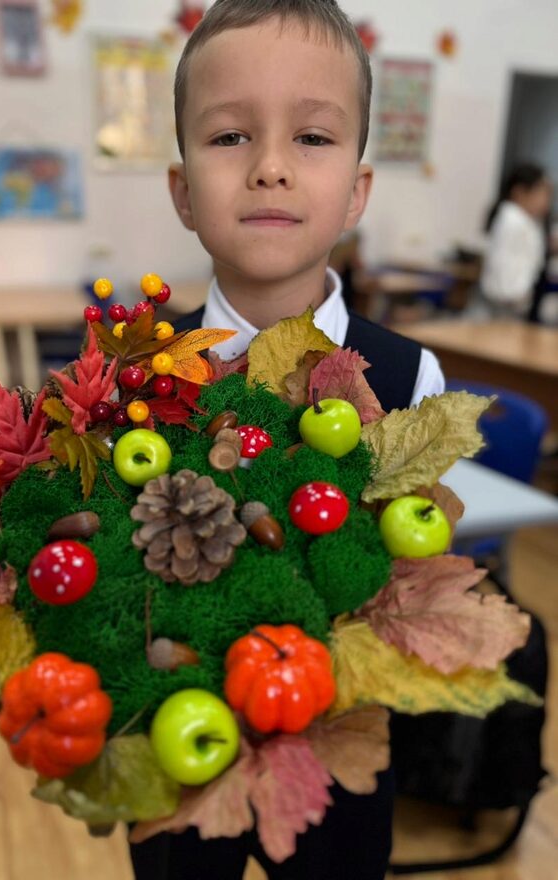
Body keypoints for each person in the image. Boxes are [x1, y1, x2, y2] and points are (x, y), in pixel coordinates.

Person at [130, 2, 445, 878]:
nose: (270, 168)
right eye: (230, 138)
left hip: (336, 754)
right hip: (173, 740)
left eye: (312, 137)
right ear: (184, 190)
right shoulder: (138, 380)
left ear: (357, 190)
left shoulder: (411, 379)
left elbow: (418, 585)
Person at [480, 163, 554, 319]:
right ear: (519, 192)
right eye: (541, 193)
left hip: (511, 298)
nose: (545, 201)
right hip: (507, 299)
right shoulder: (514, 218)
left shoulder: (523, 220)